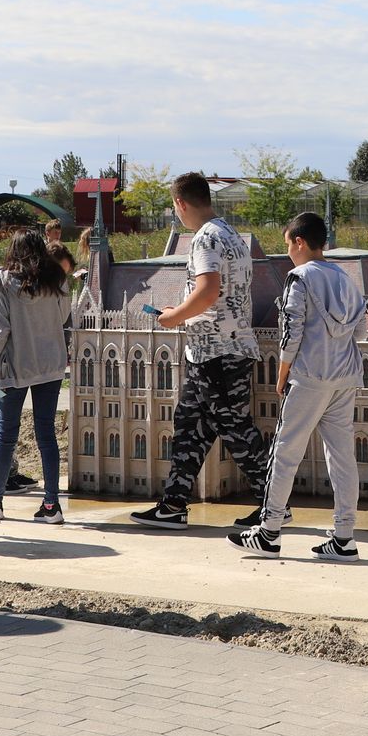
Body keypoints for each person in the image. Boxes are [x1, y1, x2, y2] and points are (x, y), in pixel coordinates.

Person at [131, 173, 271, 530]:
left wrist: (174, 317)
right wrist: (182, 312)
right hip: (213, 351)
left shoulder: (205, 238)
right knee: (190, 425)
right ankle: (173, 505)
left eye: (173, 207)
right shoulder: (231, 234)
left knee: (235, 427)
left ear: (180, 203)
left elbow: (208, 291)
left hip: (218, 353)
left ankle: (274, 505)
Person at [229, 213, 366, 560]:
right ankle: (344, 538)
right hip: (345, 376)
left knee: (285, 452)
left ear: (300, 242)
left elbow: (291, 332)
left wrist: (282, 373)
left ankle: (269, 531)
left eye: (288, 244)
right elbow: (361, 332)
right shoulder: (347, 279)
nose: (288, 251)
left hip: (308, 376)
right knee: (342, 458)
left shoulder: (300, 277)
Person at [0, 232, 69, 524]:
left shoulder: (5, 280)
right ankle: (51, 505)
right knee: (46, 434)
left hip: (14, 368)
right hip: (51, 366)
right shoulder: (57, 278)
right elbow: (63, 317)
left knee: (6, 434)